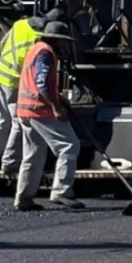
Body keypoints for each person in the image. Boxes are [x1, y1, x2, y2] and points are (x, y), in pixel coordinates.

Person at [13, 20, 83, 212]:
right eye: (62, 41)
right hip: (39, 109)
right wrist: (56, 106)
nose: (64, 45)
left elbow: (39, 82)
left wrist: (58, 96)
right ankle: (61, 191)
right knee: (69, 145)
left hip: (26, 109)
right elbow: (42, 83)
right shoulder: (46, 53)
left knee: (33, 155)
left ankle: (23, 198)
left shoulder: (36, 49)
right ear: (56, 40)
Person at [0, 9, 61, 174]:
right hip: (14, 81)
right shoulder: (40, 40)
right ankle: (9, 162)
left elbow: (3, 44)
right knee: (18, 122)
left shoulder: (20, 24)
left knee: (2, 119)